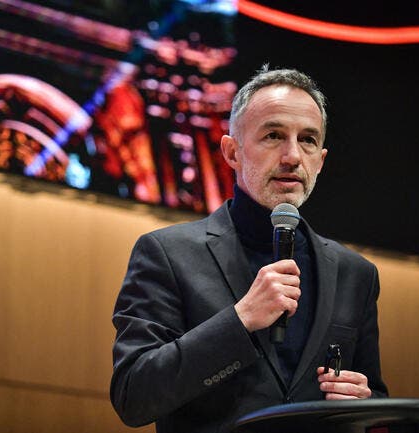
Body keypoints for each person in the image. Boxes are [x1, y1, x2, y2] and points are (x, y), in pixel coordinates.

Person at [110, 66, 388, 433]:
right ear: (232, 152)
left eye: (307, 140)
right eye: (273, 135)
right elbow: (134, 395)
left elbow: (377, 404)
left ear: (320, 162)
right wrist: (239, 320)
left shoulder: (357, 275)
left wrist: (367, 407)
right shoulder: (167, 253)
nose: (292, 156)